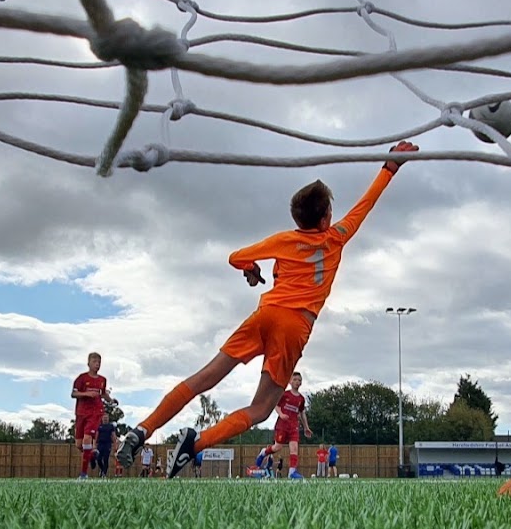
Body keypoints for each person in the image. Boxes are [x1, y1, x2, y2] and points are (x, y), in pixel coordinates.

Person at [117, 142, 418, 477]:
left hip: (266, 314)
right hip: (294, 326)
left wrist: (251, 268)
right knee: (261, 409)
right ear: (325, 219)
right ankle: (194, 446)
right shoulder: (337, 237)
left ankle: (142, 429)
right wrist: (390, 167)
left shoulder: (283, 241)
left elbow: (235, 257)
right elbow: (365, 205)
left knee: (205, 377)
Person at [260, 371, 313, 480]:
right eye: (295, 380)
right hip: (282, 425)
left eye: (299, 380)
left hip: (294, 426)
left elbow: (302, 413)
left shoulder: (301, 399)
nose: (297, 382)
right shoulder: (284, 394)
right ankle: (263, 452)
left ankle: (292, 472)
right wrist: (281, 414)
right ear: (290, 381)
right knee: (277, 447)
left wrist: (306, 427)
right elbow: (275, 404)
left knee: (294, 448)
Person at [72, 352, 109, 449]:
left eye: (99, 362)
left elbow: (103, 393)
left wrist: (111, 400)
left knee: (87, 438)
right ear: (88, 363)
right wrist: (86, 394)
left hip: (95, 412)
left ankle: (86, 461)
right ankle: (91, 455)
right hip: (82, 412)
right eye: (94, 361)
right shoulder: (82, 378)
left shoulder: (102, 380)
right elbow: (74, 394)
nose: (97, 364)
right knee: (79, 445)